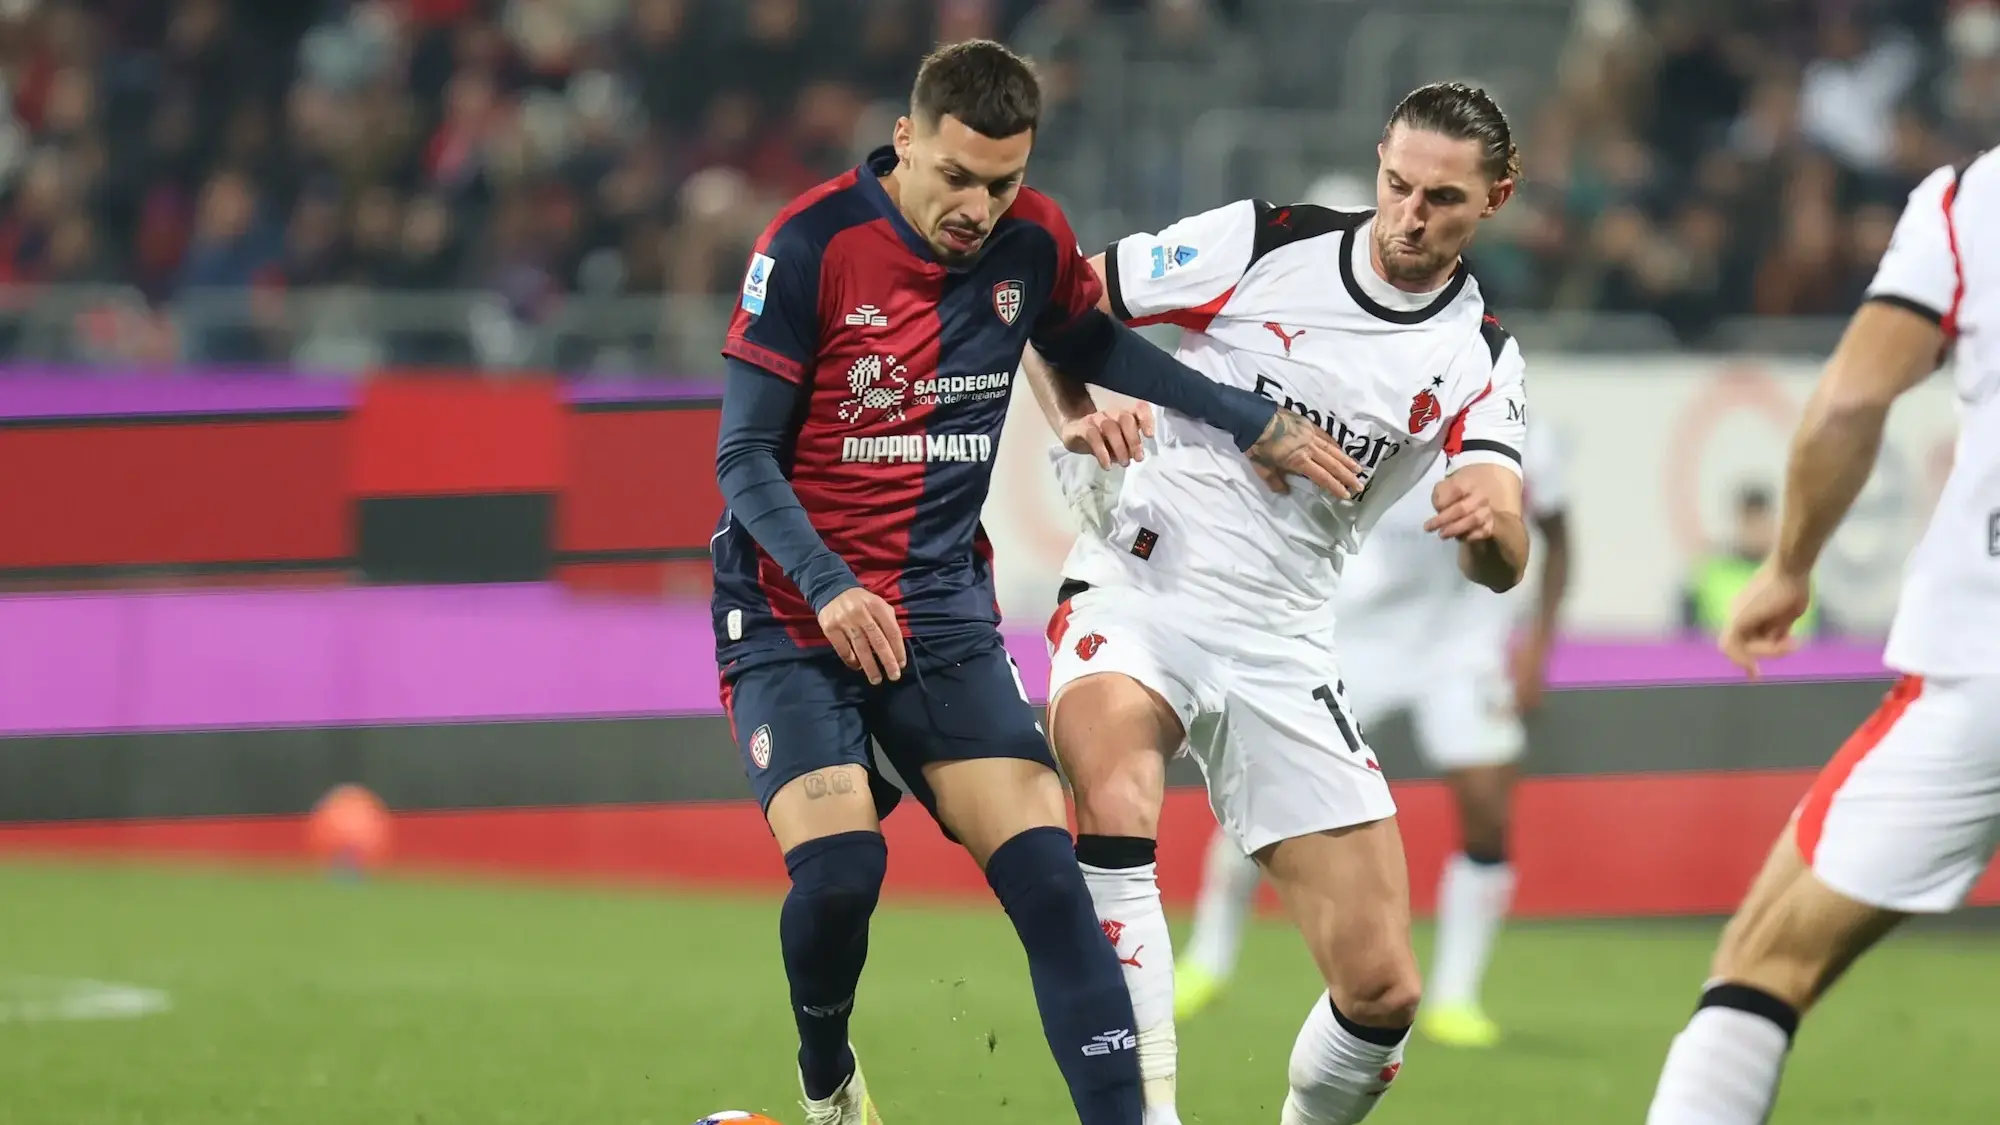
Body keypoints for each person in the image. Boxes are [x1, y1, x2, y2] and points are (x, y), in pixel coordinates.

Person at [712, 40, 1359, 1125]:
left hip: (940, 617)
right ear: (905, 140)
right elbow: (742, 458)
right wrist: (828, 585)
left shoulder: (1029, 241)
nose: (975, 207)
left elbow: (1089, 337)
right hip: (792, 608)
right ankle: (826, 1076)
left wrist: (1249, 420)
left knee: (1053, 887)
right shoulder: (810, 245)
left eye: (1000, 183)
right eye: (955, 178)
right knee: (838, 882)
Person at [1024, 81, 1529, 1125]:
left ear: (1495, 199)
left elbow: (1503, 557)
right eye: (1396, 183)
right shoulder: (1262, 243)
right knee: (1115, 798)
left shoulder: (1478, 355)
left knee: (1383, 988)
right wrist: (1073, 411)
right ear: (1377, 161)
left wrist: (1493, 530)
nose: (1407, 215)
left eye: (1440, 198)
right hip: (1140, 587)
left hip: (1283, 640)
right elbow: (1050, 299)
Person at [1645, 152, 2000, 1122]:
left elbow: (1849, 399)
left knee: (1764, 959)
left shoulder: (1971, 199)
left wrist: (1788, 565)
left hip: (1984, 662)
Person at [1174, 419, 1572, 1050]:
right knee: (1265, 781)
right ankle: (1207, 960)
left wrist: (1539, 648)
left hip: (1461, 645)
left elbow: (1558, 534)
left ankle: (1455, 998)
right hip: (1353, 633)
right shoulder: (1366, 395)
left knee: (1488, 809)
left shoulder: (1513, 425)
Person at [1681, 484, 1823, 638]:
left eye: (1761, 521)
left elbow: (1820, 638)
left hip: (1790, 659)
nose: (1756, 531)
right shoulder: (1710, 576)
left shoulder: (1798, 577)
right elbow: (1687, 637)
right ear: (1739, 523)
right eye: (1750, 521)